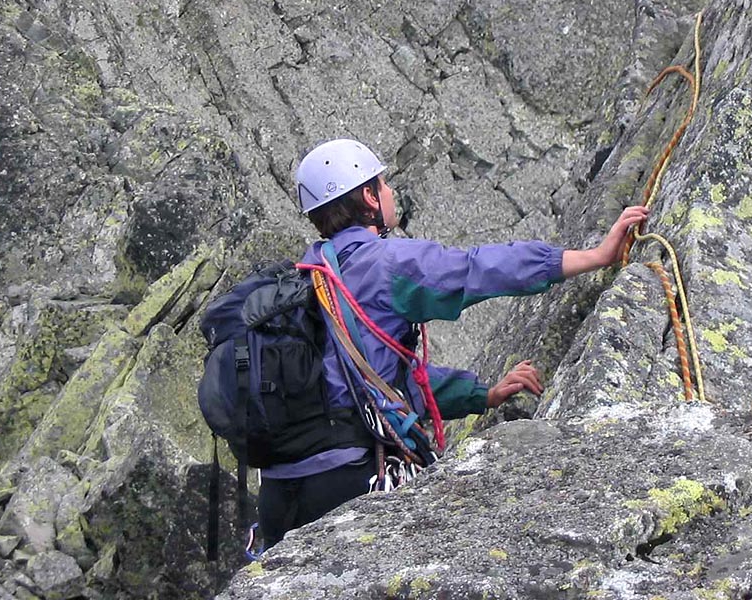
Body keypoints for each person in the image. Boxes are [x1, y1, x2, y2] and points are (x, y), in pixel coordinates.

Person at [256, 138, 649, 550]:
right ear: (369, 198)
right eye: (383, 184)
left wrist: (483, 395)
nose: (390, 192)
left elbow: (379, 385)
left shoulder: (302, 278)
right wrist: (593, 257)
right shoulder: (386, 264)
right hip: (349, 478)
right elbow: (478, 269)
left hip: (279, 498)